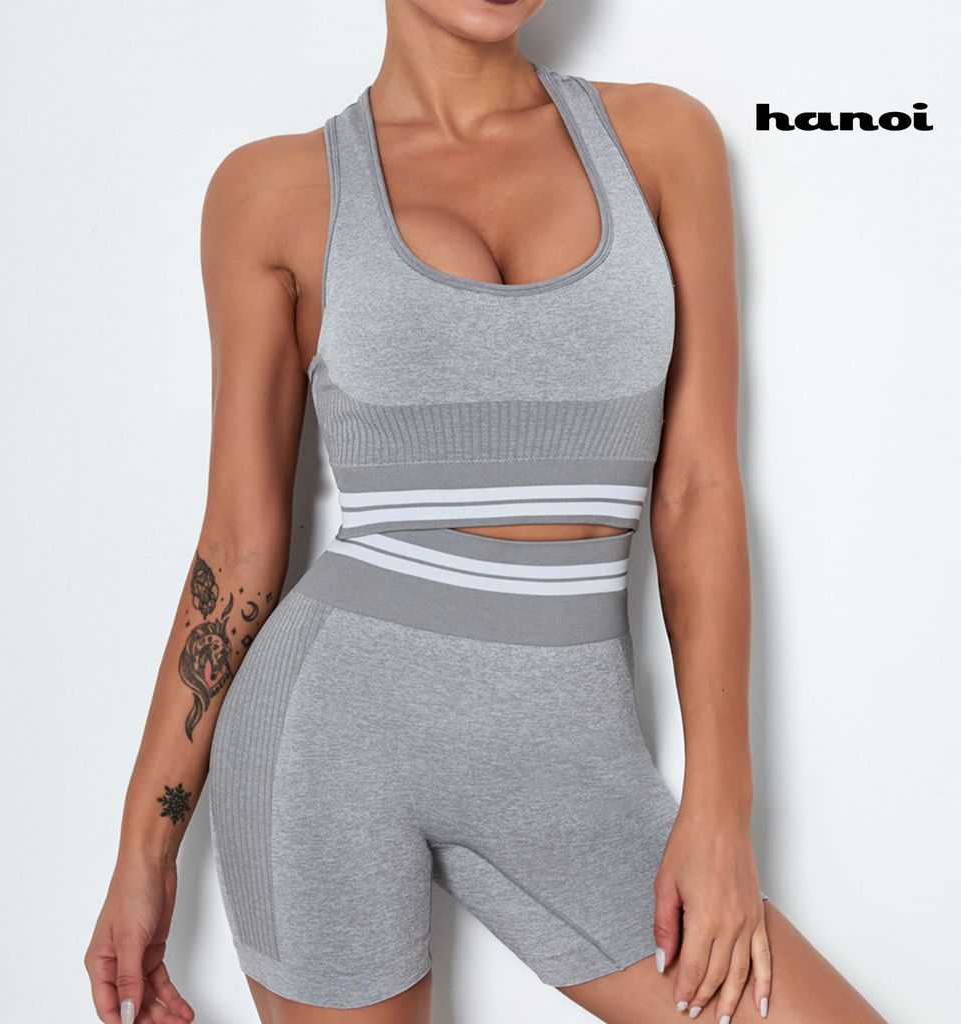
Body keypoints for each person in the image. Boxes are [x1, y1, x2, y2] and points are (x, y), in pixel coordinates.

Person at [85, 2, 890, 1023]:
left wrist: (721, 809)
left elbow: (697, 489)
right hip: (327, 751)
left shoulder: (659, 141)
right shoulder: (271, 191)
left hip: (575, 762)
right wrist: (143, 852)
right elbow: (238, 545)